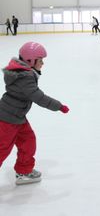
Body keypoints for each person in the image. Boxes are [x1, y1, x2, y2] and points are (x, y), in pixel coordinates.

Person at [0, 42, 69, 185]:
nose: (43, 63)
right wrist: (59, 106)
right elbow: (38, 97)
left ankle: (24, 171)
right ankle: (23, 171)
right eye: (40, 60)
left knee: (28, 141)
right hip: (7, 120)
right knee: (3, 148)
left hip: (17, 117)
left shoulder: (23, 73)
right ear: (30, 61)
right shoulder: (24, 78)